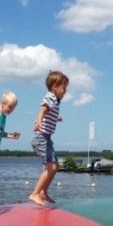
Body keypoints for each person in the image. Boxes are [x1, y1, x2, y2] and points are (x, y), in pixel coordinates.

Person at [29, 70, 69, 206]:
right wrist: (39, 122)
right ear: (54, 87)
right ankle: (35, 193)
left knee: (55, 166)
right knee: (51, 167)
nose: (65, 91)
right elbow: (43, 109)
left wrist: (56, 118)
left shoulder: (55, 101)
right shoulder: (50, 97)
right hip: (41, 138)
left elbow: (49, 112)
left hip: (46, 138)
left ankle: (43, 192)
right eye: (64, 87)